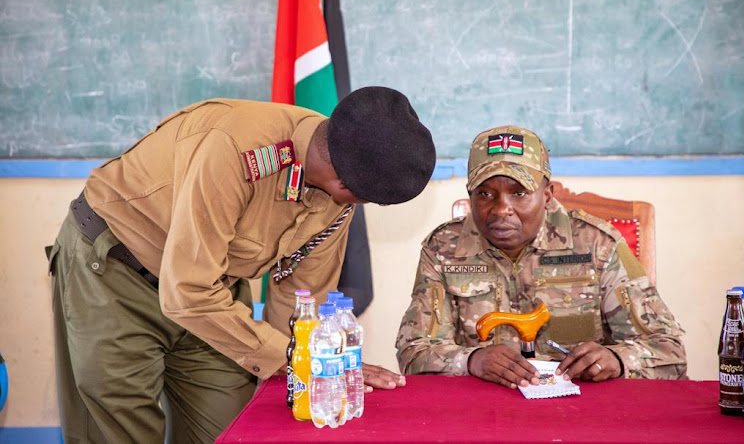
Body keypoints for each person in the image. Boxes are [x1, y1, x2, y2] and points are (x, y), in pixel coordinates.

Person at [47, 86, 435, 443]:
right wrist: (289, 358)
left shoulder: (338, 197)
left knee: (234, 431)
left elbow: (303, 297)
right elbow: (187, 292)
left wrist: (307, 368)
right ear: (345, 186)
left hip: (215, 295)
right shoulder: (235, 150)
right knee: (120, 432)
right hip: (115, 274)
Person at [395, 125, 687, 390]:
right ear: (470, 194)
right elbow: (414, 353)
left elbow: (669, 351)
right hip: (484, 412)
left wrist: (617, 358)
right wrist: (471, 361)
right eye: (485, 193)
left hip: (582, 410)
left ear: (548, 195)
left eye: (519, 193)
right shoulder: (443, 249)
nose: (500, 209)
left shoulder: (597, 244)